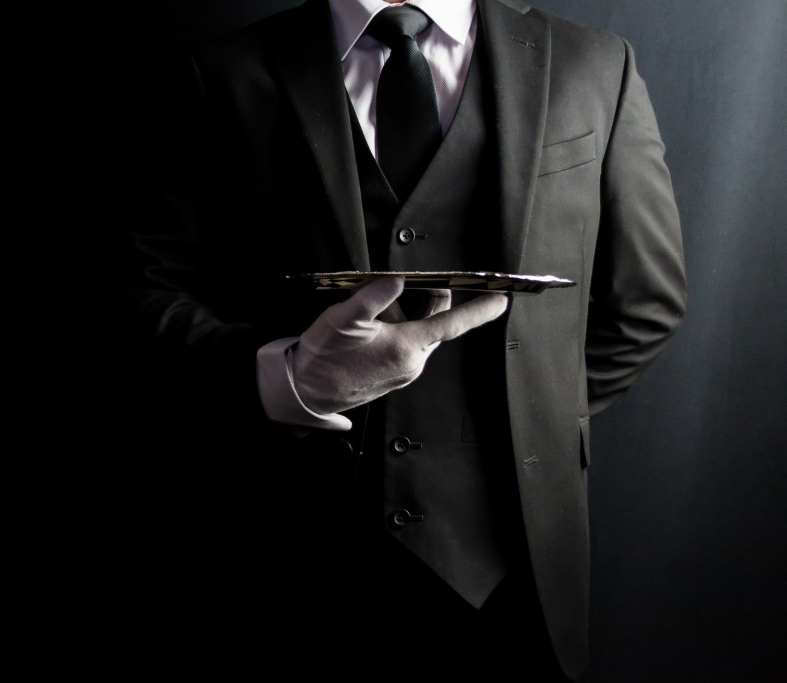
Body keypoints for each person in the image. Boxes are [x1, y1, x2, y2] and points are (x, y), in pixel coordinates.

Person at [124, 0, 686, 679]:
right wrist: (292, 381)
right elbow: (144, 292)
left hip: (517, 576)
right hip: (287, 558)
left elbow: (645, 303)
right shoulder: (223, 73)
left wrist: (525, 418)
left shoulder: (595, 65)